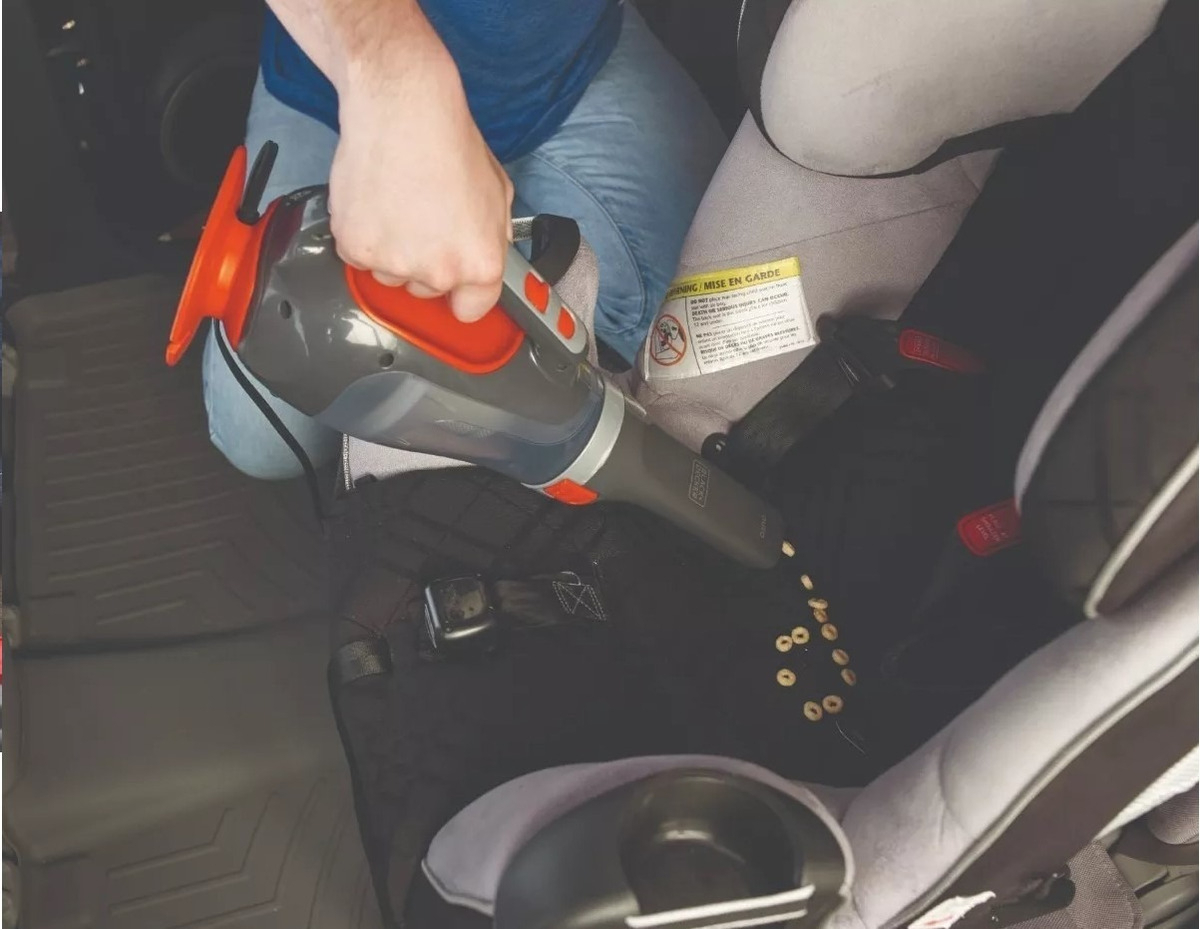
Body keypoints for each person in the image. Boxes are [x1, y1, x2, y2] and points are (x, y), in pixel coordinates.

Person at [203, 0, 727, 479]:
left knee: (719, 374)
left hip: (564, 68)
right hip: (338, 80)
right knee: (262, 439)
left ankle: (500, 221)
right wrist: (395, 73)